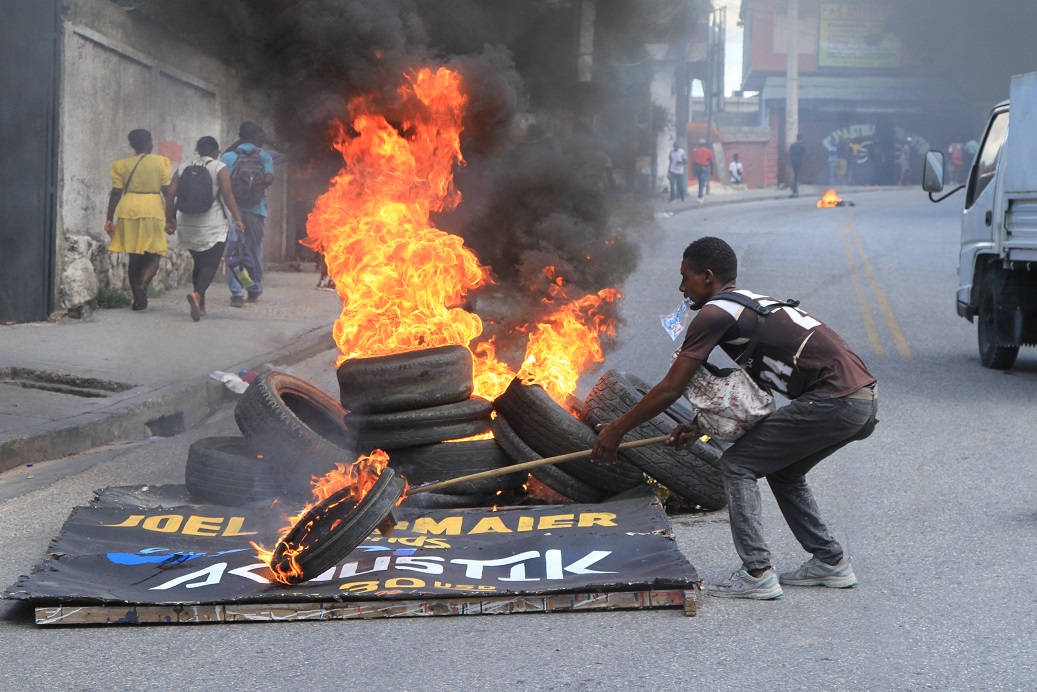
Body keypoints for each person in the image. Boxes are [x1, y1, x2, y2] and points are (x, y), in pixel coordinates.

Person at [591, 236, 878, 600]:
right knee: (784, 471)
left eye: (686, 278)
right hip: (860, 401)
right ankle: (830, 561)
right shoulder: (751, 305)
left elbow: (670, 388)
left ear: (707, 277)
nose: (681, 287)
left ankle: (757, 572)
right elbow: (752, 398)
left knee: (738, 465)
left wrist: (616, 428)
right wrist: (698, 428)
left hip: (834, 401)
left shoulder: (714, 313)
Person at [165, 136, 246, 321]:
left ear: (198, 150)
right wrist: (238, 219)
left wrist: (169, 219)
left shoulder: (183, 167)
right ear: (216, 151)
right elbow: (227, 194)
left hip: (187, 223)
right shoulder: (219, 167)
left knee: (199, 263)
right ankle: (198, 294)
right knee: (211, 263)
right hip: (212, 224)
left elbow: (170, 194)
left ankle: (200, 306)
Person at [104, 128, 173, 311]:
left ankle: (137, 299)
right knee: (154, 254)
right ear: (150, 143)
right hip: (153, 209)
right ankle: (143, 284)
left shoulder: (121, 165)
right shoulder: (161, 162)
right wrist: (171, 216)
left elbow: (116, 193)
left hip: (128, 210)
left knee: (134, 256)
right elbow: (167, 191)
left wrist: (109, 218)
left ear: (132, 145)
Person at [222, 121, 274, 307]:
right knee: (254, 249)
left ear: (240, 135)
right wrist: (256, 186)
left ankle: (237, 293)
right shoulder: (265, 156)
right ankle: (253, 288)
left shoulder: (229, 156)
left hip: (234, 209)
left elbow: (224, 183)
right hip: (257, 209)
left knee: (235, 250)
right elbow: (269, 178)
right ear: (257, 137)